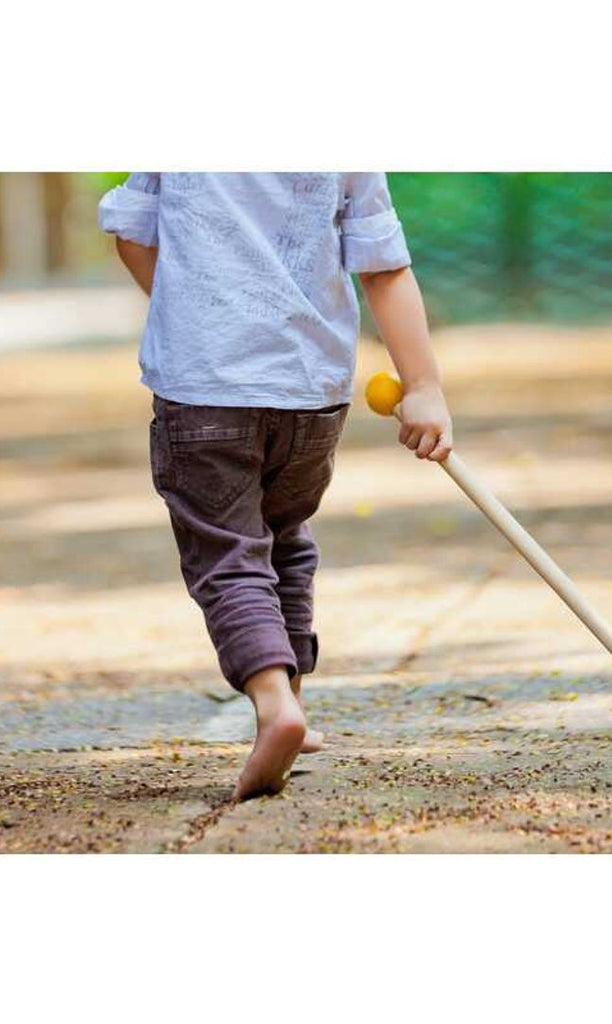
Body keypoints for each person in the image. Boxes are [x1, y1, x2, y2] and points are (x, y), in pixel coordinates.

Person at [98, 173, 453, 800]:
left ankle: (272, 705)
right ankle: (293, 695)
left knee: (228, 555)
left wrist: (192, 318)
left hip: (204, 391)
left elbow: (130, 231)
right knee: (282, 535)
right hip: (310, 397)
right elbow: (385, 270)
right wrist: (421, 386)